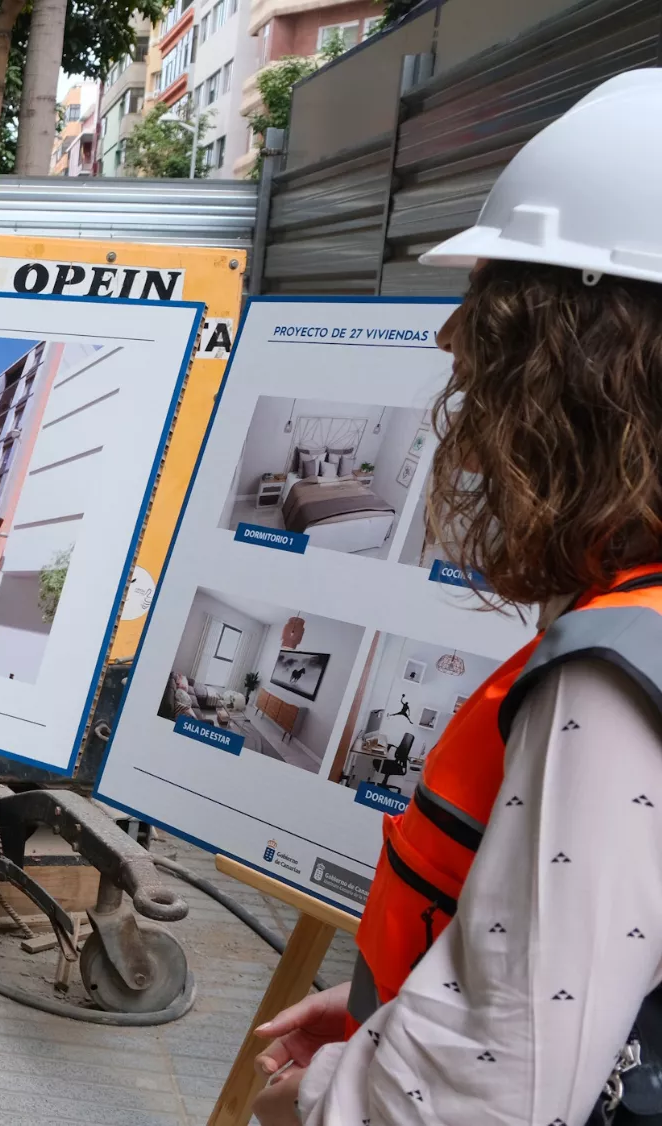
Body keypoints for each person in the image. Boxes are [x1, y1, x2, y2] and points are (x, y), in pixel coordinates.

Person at [251, 69, 662, 1126]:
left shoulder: (615, 680)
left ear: (585, 361)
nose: (451, 348)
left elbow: (495, 1092)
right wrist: (368, 1009)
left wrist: (323, 1094)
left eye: (492, 317)